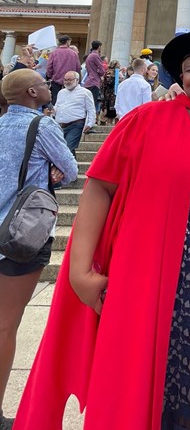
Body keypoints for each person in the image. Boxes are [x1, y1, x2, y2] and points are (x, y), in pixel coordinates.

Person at [12, 31, 190, 430]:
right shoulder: (148, 119)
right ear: (179, 74)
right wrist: (79, 270)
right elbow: (98, 188)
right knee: (155, 376)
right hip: (156, 274)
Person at [0, 69, 77, 430]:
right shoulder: (42, 126)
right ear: (32, 92)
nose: (50, 87)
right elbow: (71, 169)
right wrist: (53, 171)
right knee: (5, 326)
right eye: (45, 84)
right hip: (18, 235)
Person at [53, 71, 96, 157]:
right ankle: (73, 168)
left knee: (68, 147)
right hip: (61, 125)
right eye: (65, 80)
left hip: (76, 124)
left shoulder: (85, 92)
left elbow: (91, 109)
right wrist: (52, 111)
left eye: (70, 79)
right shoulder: (61, 92)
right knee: (64, 149)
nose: (67, 82)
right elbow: (57, 105)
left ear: (77, 80)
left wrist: (90, 123)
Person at [46, 35, 81, 105]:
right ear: (67, 41)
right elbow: (78, 68)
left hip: (56, 80)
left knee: (56, 101)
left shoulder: (54, 53)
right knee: (69, 101)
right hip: (71, 81)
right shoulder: (74, 54)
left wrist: (49, 76)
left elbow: (49, 67)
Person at [83, 40, 105, 113]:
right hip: (94, 81)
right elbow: (102, 70)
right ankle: (90, 120)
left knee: (87, 103)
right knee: (92, 103)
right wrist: (100, 72)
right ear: (99, 47)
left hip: (89, 81)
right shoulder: (95, 55)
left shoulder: (90, 55)